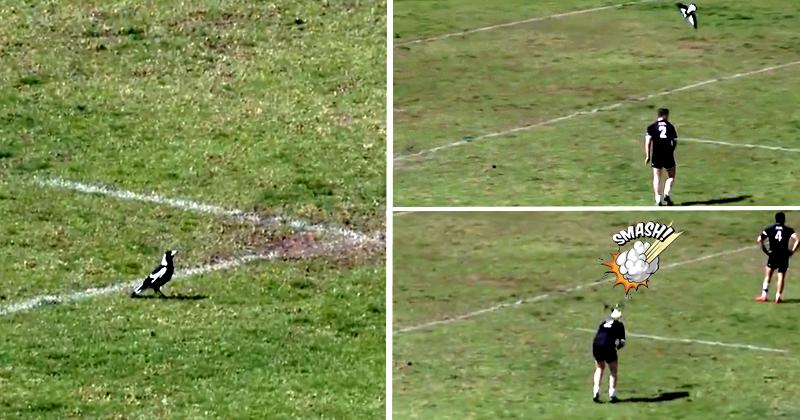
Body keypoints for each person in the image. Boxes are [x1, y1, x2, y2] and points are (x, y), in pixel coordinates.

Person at [755, 213, 798, 303]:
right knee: (781, 276)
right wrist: (792, 251)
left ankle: (764, 296)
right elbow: (798, 239)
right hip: (784, 255)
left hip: (773, 255)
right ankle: (778, 296)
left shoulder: (770, 229)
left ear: (776, 219)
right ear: (784, 220)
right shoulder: (789, 230)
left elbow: (759, 239)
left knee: (768, 275)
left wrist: (765, 250)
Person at [644, 108, 678, 206]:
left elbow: (648, 141)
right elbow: (674, 141)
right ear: (665, 115)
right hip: (668, 153)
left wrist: (647, 155)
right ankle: (666, 193)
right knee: (671, 175)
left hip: (656, 154)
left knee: (657, 176)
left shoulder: (651, 127)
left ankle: (658, 199)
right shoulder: (670, 126)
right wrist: (672, 150)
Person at [592, 308, 626, 403]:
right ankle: (612, 394)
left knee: (599, 367)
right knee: (613, 370)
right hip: (608, 346)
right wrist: (617, 348)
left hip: (596, 345)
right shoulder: (619, 325)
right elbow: (622, 342)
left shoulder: (603, 323)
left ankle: (596, 391)